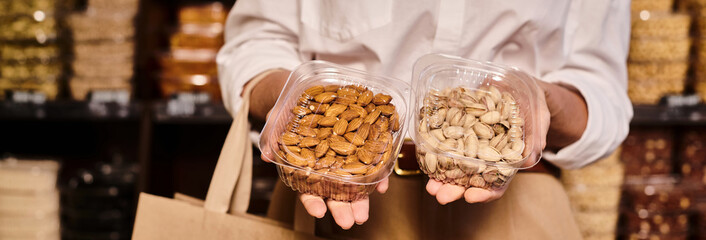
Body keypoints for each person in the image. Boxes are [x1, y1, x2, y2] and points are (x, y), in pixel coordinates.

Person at [217, 0, 632, 239]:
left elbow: (602, 90)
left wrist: (541, 101)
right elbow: (256, 42)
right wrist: (292, 103)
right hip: (329, 188)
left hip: (516, 201)